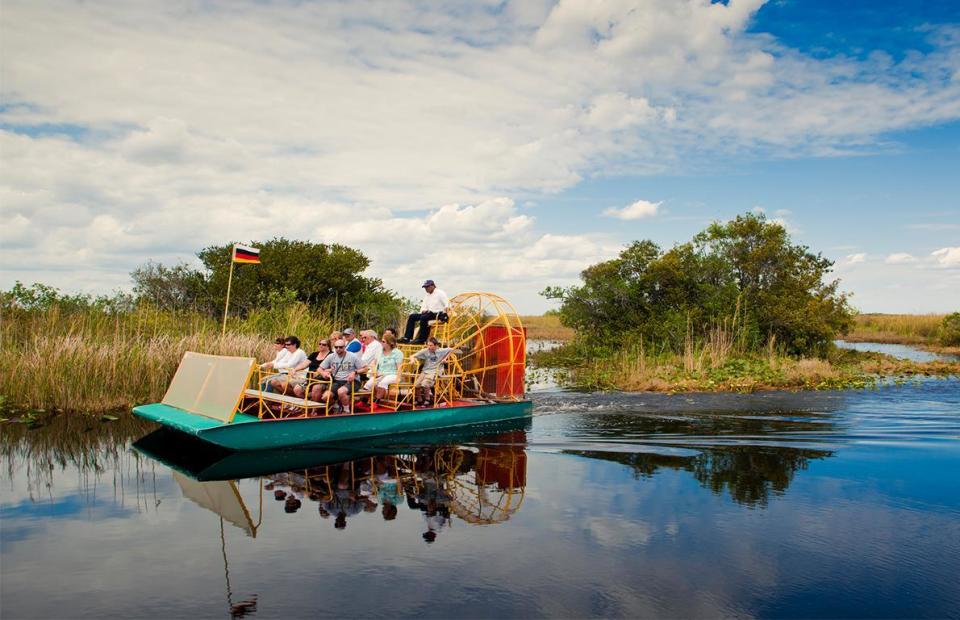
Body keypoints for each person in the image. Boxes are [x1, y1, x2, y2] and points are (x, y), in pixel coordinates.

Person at [317, 338, 366, 412]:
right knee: (325, 397)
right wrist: (323, 373)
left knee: (341, 391)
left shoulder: (352, 356)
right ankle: (337, 405)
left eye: (341, 347)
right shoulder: (331, 356)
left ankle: (346, 410)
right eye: (336, 347)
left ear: (345, 347)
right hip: (337, 381)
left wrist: (354, 372)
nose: (338, 349)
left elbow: (365, 368)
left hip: (352, 381)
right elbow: (319, 368)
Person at [411, 337, 461, 406]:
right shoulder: (425, 351)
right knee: (416, 385)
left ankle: (427, 399)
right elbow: (412, 355)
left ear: (435, 345)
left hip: (435, 371)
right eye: (428, 345)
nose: (429, 347)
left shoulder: (440, 351)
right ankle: (419, 400)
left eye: (431, 345)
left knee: (425, 384)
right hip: (425, 370)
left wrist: (445, 358)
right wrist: (412, 359)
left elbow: (453, 350)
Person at [400, 280, 450, 344]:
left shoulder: (440, 293)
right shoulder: (427, 296)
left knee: (423, 318)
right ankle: (407, 338)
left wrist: (446, 308)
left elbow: (447, 303)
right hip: (428, 313)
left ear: (433, 286)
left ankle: (422, 339)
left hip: (438, 313)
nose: (426, 288)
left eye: (427, 287)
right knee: (412, 316)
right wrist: (423, 310)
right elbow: (423, 307)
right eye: (425, 287)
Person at [365, 333, 403, 402]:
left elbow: (399, 367)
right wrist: (375, 371)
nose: (381, 343)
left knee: (383, 383)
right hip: (381, 373)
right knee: (369, 384)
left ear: (390, 343)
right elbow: (373, 363)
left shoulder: (397, 353)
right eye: (381, 341)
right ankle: (364, 401)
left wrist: (398, 378)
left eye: (383, 341)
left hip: (392, 374)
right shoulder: (379, 351)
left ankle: (376, 402)